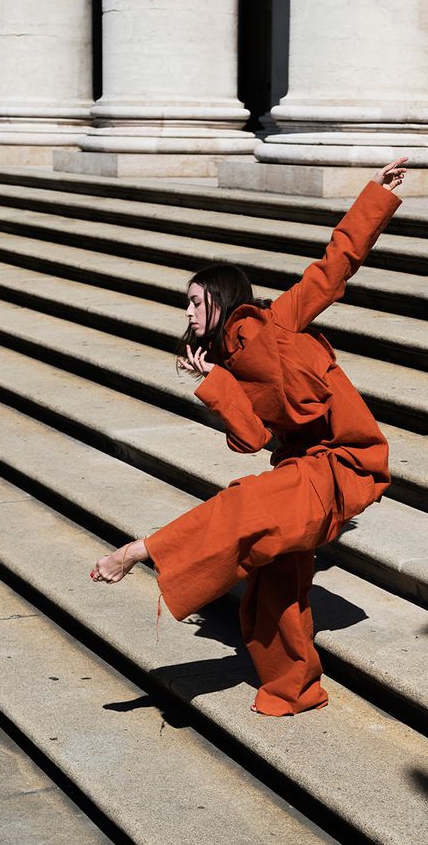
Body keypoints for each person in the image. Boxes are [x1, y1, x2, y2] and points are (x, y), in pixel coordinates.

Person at [91, 157, 407, 716]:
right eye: (185, 303)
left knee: (244, 504)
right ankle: (295, 689)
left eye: (195, 300)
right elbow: (253, 437)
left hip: (346, 463)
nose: (187, 312)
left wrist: (374, 196)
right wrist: (213, 383)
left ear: (220, 296)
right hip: (298, 467)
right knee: (271, 583)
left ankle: (144, 550)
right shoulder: (221, 365)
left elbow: (336, 265)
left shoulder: (278, 321)